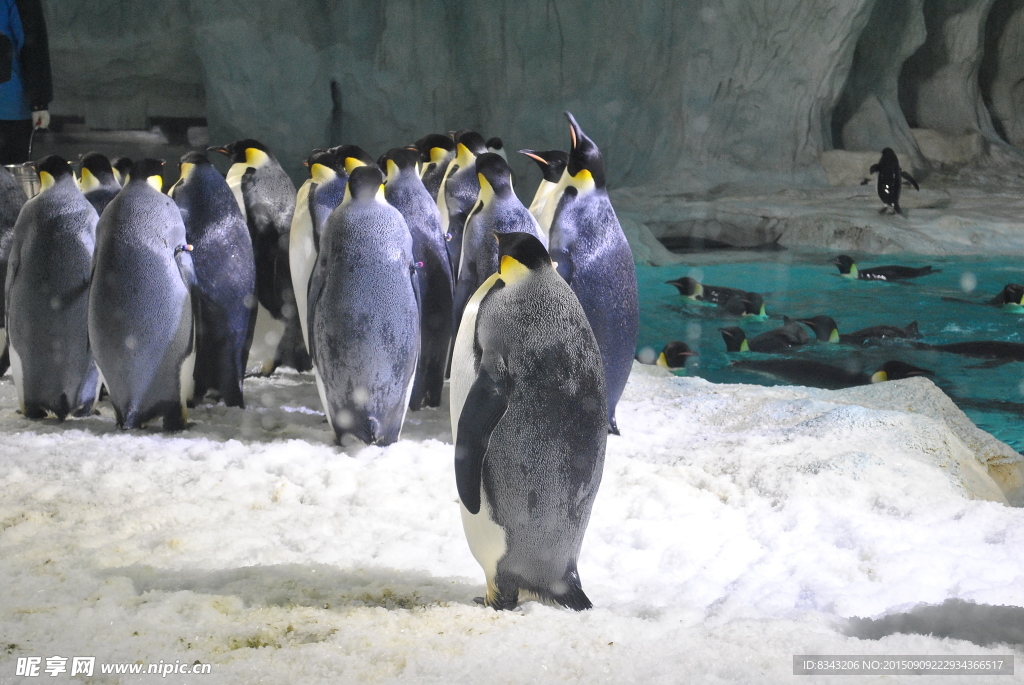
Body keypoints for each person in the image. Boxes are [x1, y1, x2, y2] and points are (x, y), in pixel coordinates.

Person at [0, 0, 50, 164]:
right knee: (10, 182)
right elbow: (33, 43)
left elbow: (32, 44)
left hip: (8, 107)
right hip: (9, 107)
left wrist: (39, 102)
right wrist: (39, 102)